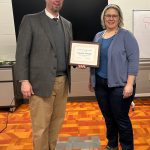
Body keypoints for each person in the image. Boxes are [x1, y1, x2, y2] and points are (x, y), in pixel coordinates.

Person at [15, 0, 72, 149]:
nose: (57, 0)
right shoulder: (30, 20)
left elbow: (68, 53)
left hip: (63, 82)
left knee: (56, 124)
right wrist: (24, 80)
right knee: (41, 128)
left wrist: (77, 61)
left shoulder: (67, 24)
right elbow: (22, 53)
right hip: (40, 84)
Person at [89, 4, 139, 150]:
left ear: (119, 18)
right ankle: (112, 145)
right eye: (108, 15)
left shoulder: (126, 35)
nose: (111, 18)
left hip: (120, 85)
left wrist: (129, 84)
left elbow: (134, 60)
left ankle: (127, 147)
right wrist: (91, 79)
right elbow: (95, 60)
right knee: (109, 118)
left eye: (114, 16)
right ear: (103, 18)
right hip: (100, 84)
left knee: (121, 119)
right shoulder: (98, 36)